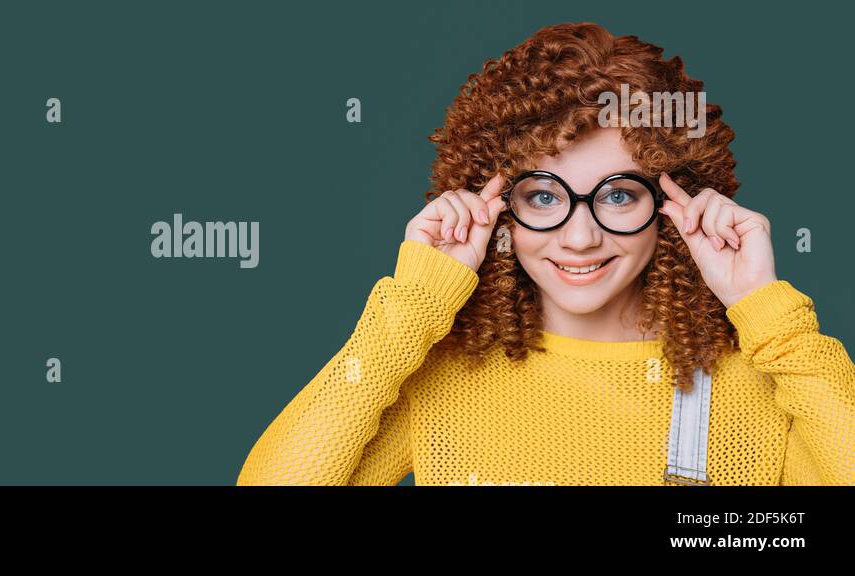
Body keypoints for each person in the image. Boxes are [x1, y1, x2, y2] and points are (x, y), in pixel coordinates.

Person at [236, 22, 855, 486]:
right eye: (541, 195)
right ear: (495, 202)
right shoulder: (440, 377)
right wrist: (412, 306)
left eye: (616, 195)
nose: (579, 236)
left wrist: (770, 315)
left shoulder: (769, 382)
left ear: (678, 198)